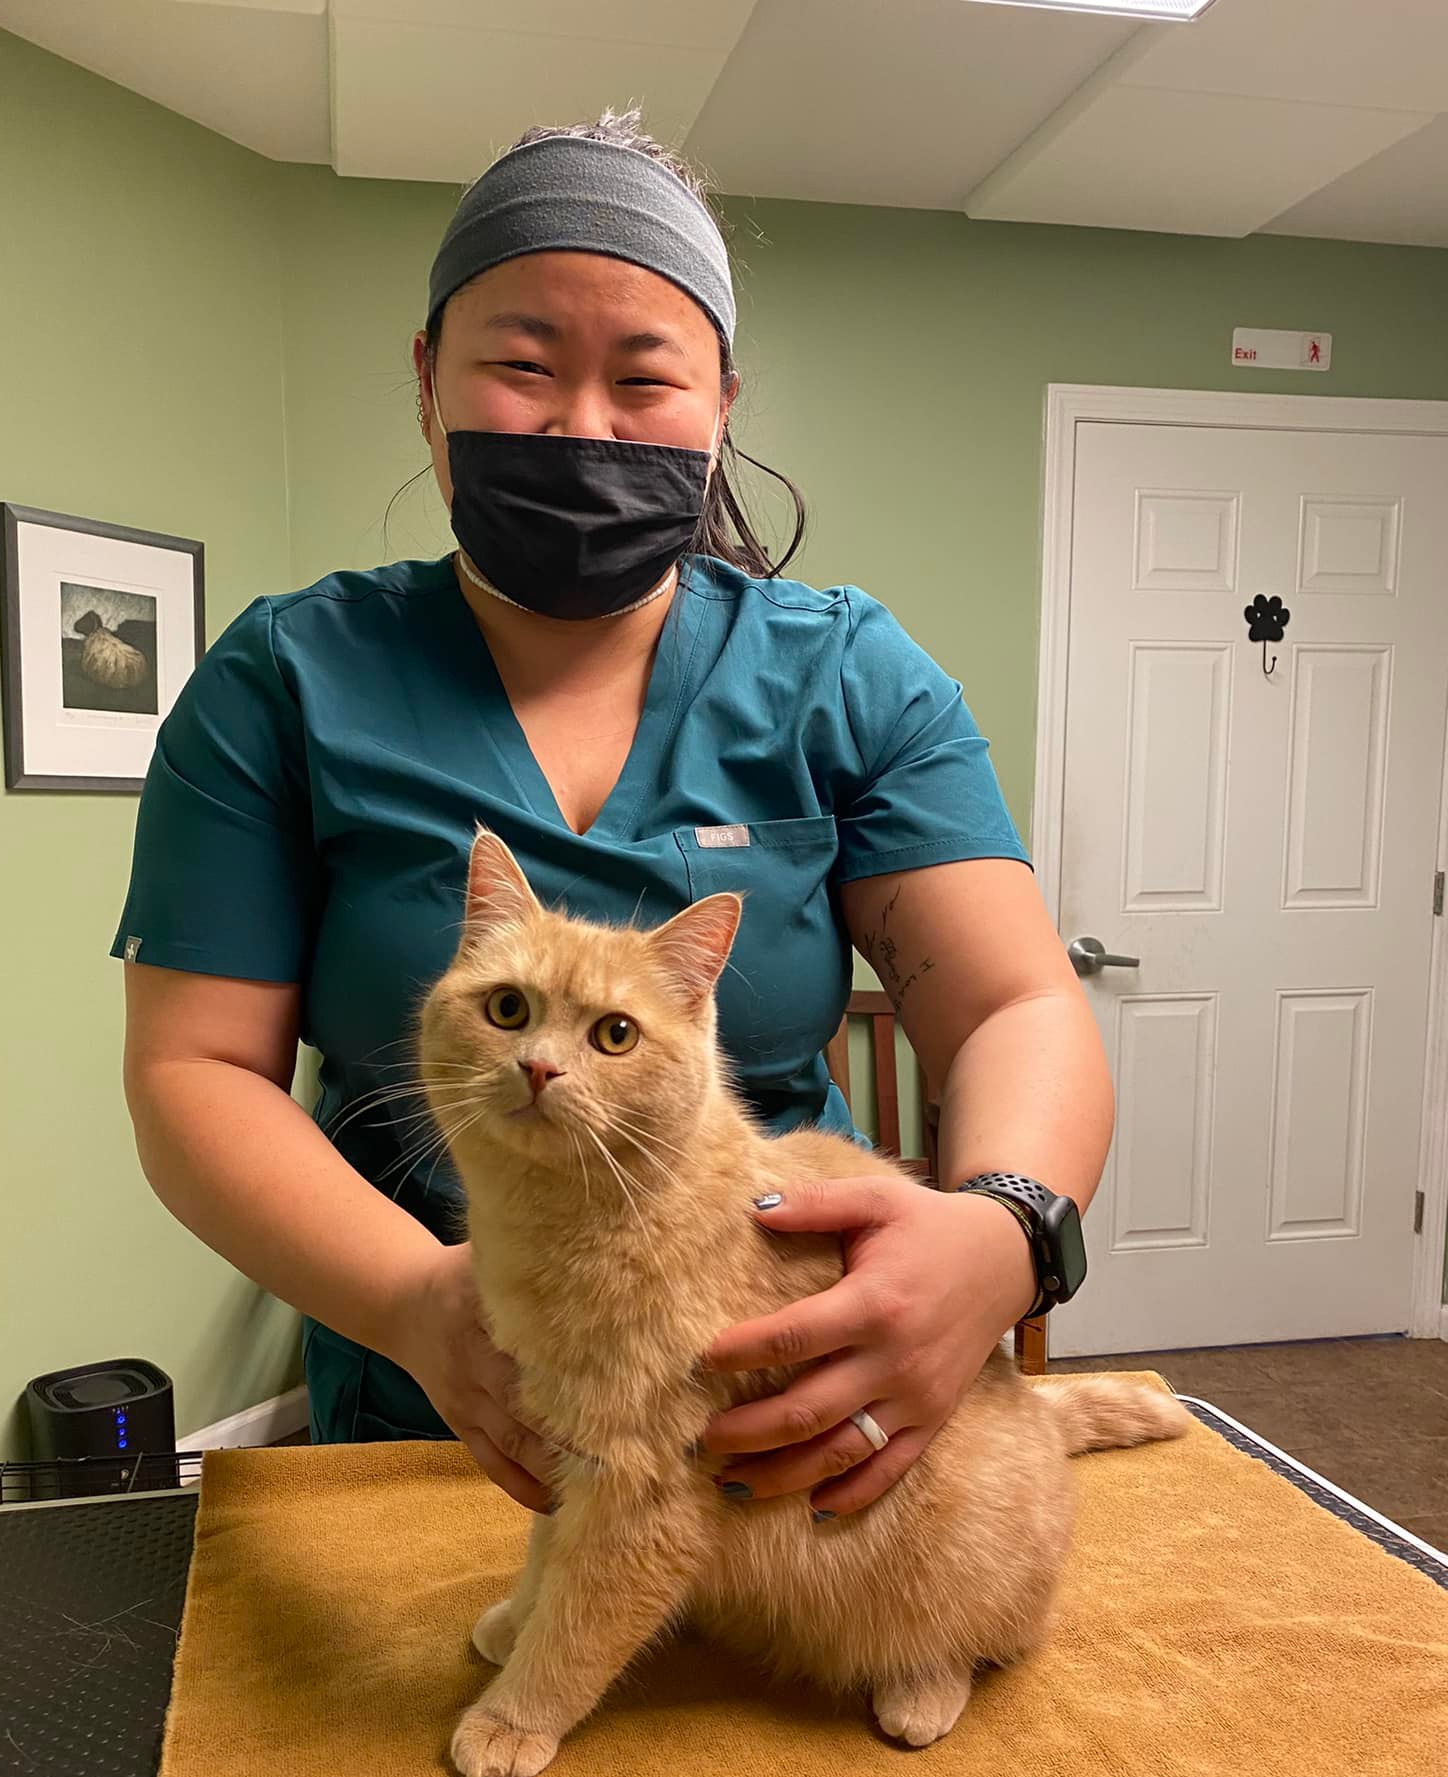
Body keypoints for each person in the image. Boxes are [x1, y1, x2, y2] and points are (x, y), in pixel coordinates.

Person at [112, 110, 1111, 1521]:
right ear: (428, 378)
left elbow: (1016, 1003)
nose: (583, 426)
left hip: (794, 1401)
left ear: (721, 406)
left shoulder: (845, 676)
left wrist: (1001, 1240)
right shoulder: (286, 682)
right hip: (434, 1417)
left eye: (646, 378)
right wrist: (417, 1306)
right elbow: (194, 1069)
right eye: (523, 367)